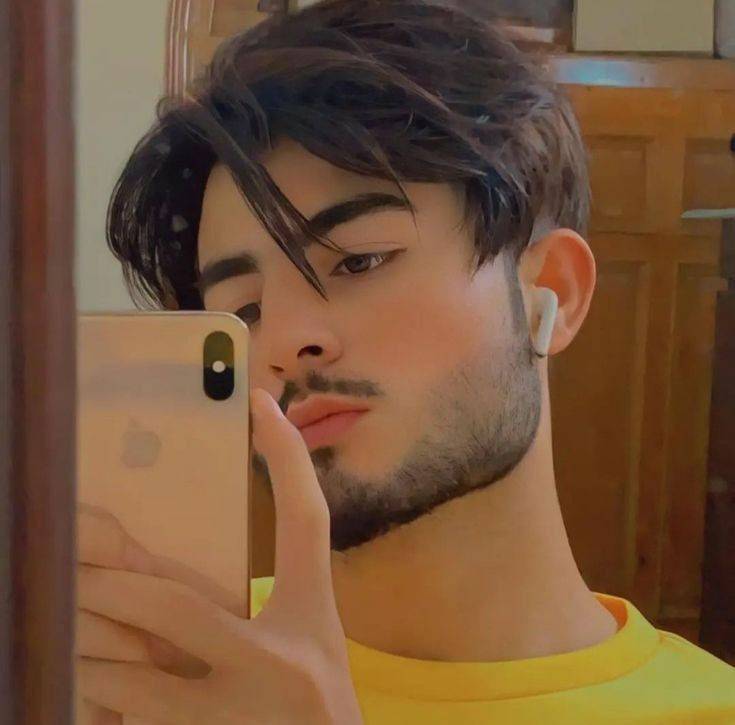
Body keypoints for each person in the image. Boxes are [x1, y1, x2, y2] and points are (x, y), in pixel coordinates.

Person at [76, 0, 735, 722]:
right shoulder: (157, 661)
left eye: (359, 260)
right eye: (244, 310)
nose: (284, 341)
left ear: (552, 291)